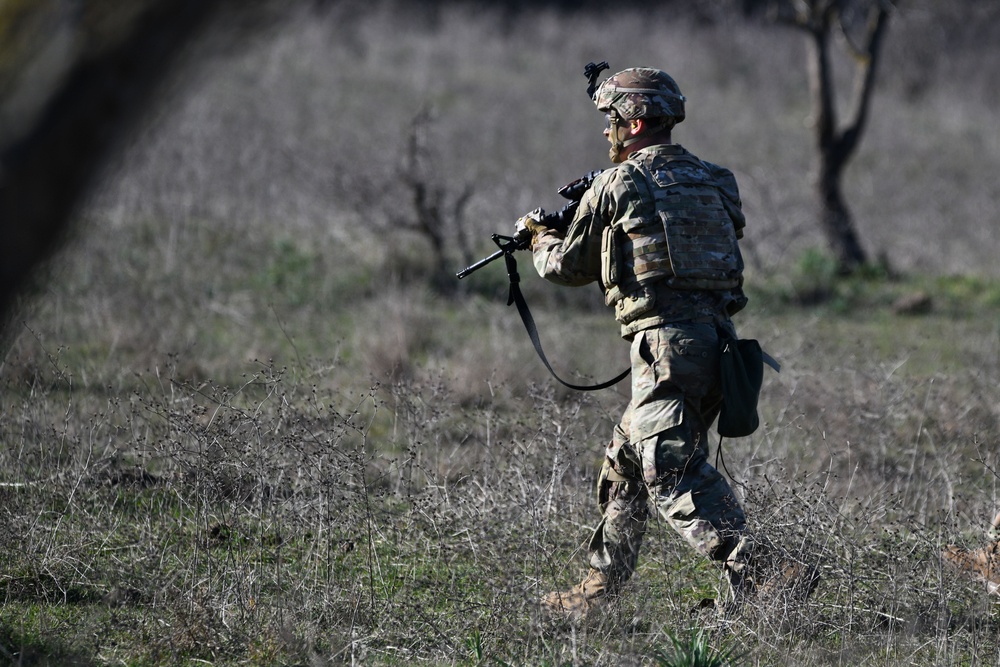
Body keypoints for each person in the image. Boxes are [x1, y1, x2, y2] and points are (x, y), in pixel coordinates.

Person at [516, 67, 757, 619]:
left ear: (637, 121)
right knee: (627, 462)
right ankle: (600, 588)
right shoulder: (717, 179)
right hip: (719, 345)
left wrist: (539, 235)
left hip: (665, 349)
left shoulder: (619, 183)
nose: (607, 132)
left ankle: (763, 569)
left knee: (667, 467)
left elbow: (565, 267)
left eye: (612, 120)